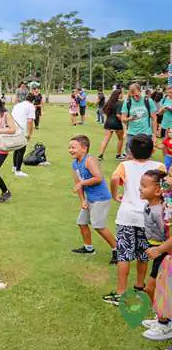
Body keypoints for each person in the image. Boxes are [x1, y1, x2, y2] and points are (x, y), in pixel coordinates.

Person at [105, 134, 165, 305]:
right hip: (149, 218)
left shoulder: (125, 165)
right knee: (144, 254)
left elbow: (114, 178)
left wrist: (115, 195)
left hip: (127, 217)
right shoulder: (158, 166)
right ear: (152, 150)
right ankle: (139, 285)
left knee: (124, 255)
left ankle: (121, 292)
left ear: (130, 150)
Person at [69, 135, 117, 264]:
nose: (70, 150)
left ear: (84, 149)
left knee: (98, 225)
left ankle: (117, 250)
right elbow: (78, 183)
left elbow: (98, 177)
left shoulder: (89, 160)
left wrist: (81, 184)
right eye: (69, 148)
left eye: (73, 147)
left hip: (100, 198)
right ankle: (88, 248)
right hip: (89, 199)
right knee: (82, 222)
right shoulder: (75, 164)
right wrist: (82, 200)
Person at [137, 169, 172, 341]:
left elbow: (167, 235)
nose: (140, 189)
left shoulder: (163, 211)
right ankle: (161, 318)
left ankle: (165, 323)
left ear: (158, 190)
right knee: (153, 288)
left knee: (153, 288)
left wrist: (159, 250)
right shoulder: (150, 205)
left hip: (164, 254)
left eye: (144, 186)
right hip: (157, 251)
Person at [121, 83, 157, 156]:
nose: (135, 97)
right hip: (132, 134)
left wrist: (154, 135)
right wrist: (129, 119)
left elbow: (154, 119)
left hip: (146, 133)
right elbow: (123, 119)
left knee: (145, 156)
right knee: (130, 156)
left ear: (140, 91)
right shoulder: (127, 102)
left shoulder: (148, 101)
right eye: (132, 95)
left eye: (137, 95)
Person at [11, 93, 35, 177]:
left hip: (13, 128)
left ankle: (14, 167)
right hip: (21, 129)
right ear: (33, 101)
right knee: (21, 149)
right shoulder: (31, 106)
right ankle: (18, 170)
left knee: (16, 148)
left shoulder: (18, 105)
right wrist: (29, 134)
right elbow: (30, 121)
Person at [98, 89, 126, 161]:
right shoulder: (120, 103)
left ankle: (100, 155)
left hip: (108, 122)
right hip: (117, 123)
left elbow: (104, 110)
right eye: (122, 94)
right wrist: (124, 121)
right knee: (120, 139)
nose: (123, 95)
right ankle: (118, 155)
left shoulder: (109, 102)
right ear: (118, 94)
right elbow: (118, 115)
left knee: (106, 139)